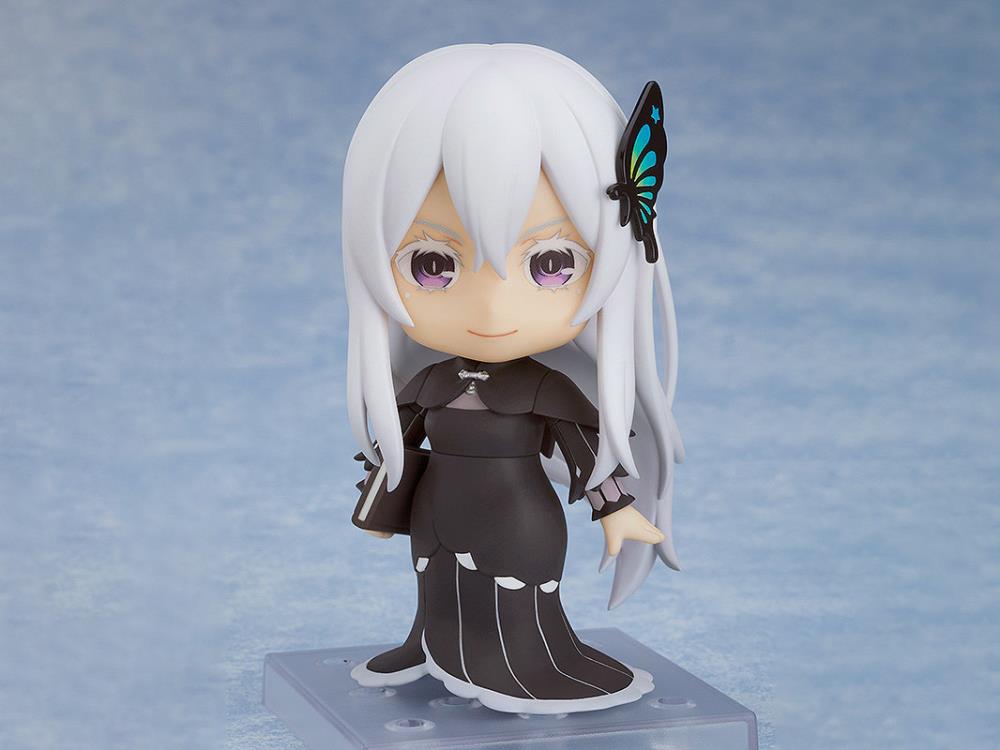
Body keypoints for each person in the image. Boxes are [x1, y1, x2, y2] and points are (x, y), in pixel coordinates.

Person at [341, 43, 684, 714]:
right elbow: (395, 444)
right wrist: (380, 505)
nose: (492, 310)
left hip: (516, 520)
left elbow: (586, 453)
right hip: (436, 512)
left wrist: (618, 513)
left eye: (552, 263)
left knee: (514, 604)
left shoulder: (545, 391)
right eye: (433, 265)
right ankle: (430, 644)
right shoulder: (430, 382)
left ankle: (524, 666)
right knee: (435, 586)